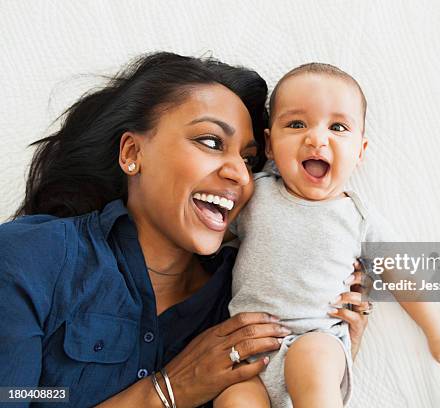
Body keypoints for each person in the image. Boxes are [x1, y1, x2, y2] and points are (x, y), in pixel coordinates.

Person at [0, 52, 369, 407]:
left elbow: (415, 270)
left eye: (249, 159)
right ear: (132, 153)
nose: (240, 174)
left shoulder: (240, 301)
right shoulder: (32, 257)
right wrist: (166, 391)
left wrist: (334, 352)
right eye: (210, 142)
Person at [215, 63, 440, 408]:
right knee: (233, 400)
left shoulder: (356, 216)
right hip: (251, 349)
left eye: (338, 127)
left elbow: (398, 270)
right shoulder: (256, 195)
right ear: (269, 143)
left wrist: (436, 327)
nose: (316, 138)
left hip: (317, 338)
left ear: (360, 151)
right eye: (296, 124)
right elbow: (212, 234)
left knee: (310, 363)